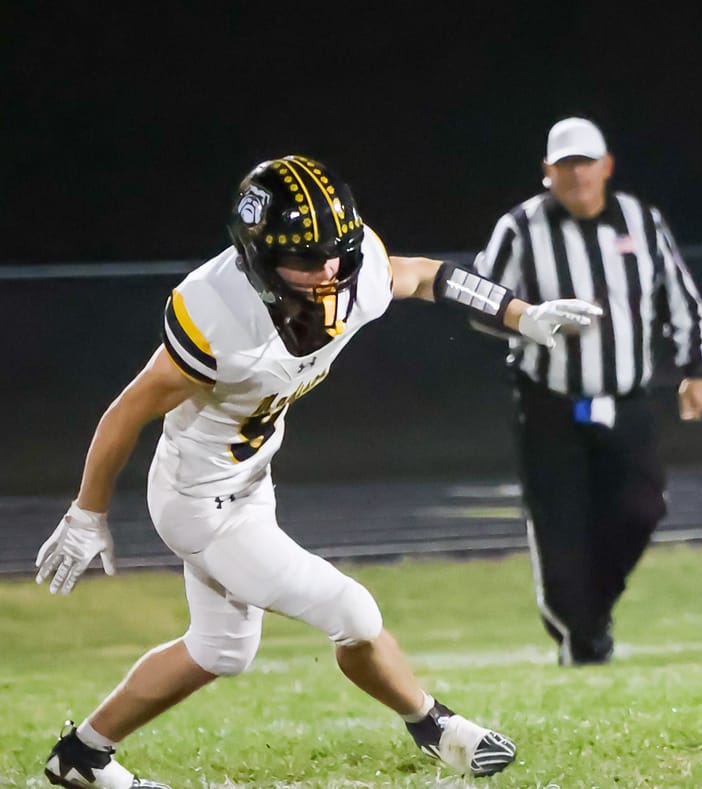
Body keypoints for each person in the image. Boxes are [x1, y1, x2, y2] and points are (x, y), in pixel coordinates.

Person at [33, 155, 602, 786]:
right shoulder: (219, 314)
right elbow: (125, 413)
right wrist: (88, 512)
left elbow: (425, 276)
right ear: (258, 255)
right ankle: (435, 726)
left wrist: (519, 313)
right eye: (306, 258)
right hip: (199, 502)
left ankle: (81, 755)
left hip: (250, 480)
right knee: (352, 612)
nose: (329, 270)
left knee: (221, 650)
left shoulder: (351, 272)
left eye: (336, 252)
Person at [473, 117, 702, 666]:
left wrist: (696, 369)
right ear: (547, 171)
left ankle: (587, 623)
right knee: (559, 528)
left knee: (641, 509)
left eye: (585, 163)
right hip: (548, 402)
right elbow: (480, 302)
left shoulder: (642, 221)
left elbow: (682, 299)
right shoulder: (520, 228)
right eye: (565, 165)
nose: (577, 175)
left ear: (606, 166)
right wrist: (528, 319)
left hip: (626, 401)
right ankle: (583, 639)